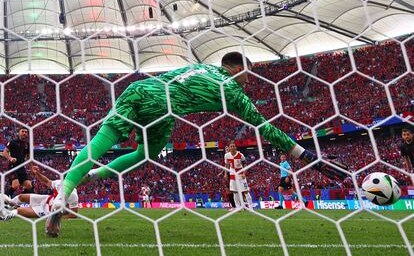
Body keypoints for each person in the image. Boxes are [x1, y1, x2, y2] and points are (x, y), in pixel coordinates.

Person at [46, 52, 347, 236]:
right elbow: (266, 128)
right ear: (236, 68)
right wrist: (306, 155)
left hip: (141, 91)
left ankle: (75, 184)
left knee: (118, 144)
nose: (249, 81)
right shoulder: (233, 90)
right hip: (162, 108)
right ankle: (69, 190)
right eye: (248, 74)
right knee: (140, 152)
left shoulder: (202, 66)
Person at [0, 165, 78, 221]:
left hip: (48, 210)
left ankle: (5, 213)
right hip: (48, 199)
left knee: (19, 210)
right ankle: (4, 205)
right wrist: (37, 173)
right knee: (21, 197)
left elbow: (73, 214)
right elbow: (47, 181)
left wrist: (56, 218)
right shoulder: (58, 183)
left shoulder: (73, 194)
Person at [1, 127, 33, 197]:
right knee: (15, 185)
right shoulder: (13, 142)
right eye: (22, 131)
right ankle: (3, 199)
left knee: (29, 185)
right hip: (13, 166)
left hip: (21, 167)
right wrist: (11, 158)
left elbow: (29, 158)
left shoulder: (27, 144)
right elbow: (4, 152)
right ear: (19, 133)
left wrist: (31, 168)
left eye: (26, 132)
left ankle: (19, 200)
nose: (24, 133)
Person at [224, 142, 253, 209]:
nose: (232, 147)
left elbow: (245, 164)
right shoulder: (226, 155)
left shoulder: (240, 155)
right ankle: (238, 207)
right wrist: (225, 174)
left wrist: (244, 173)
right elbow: (227, 165)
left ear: (235, 147)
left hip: (240, 172)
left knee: (245, 190)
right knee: (235, 191)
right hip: (232, 173)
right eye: (231, 146)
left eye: (233, 146)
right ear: (229, 148)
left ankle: (251, 206)